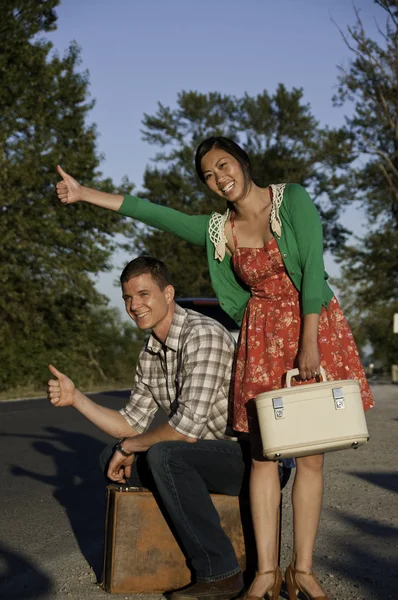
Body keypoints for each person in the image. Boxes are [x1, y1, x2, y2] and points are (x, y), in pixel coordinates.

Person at [55, 138, 374, 600]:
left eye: (223, 165)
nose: (218, 177)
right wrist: (87, 194)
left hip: (311, 326)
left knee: (310, 455)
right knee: (263, 454)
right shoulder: (217, 229)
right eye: (207, 174)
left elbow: (313, 271)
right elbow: (154, 213)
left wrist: (309, 343)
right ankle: (265, 573)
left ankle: (301, 570)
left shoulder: (292, 200)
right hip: (261, 339)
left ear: (242, 163)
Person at [47, 256, 247, 600]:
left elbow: (184, 430)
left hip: (244, 459)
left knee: (166, 456)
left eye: (143, 294)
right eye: (127, 297)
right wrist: (76, 398)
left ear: (168, 293)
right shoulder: (150, 353)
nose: (134, 305)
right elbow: (129, 423)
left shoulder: (203, 335)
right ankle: (166, 549)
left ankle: (221, 573)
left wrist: (130, 447)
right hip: (201, 456)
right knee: (108, 458)